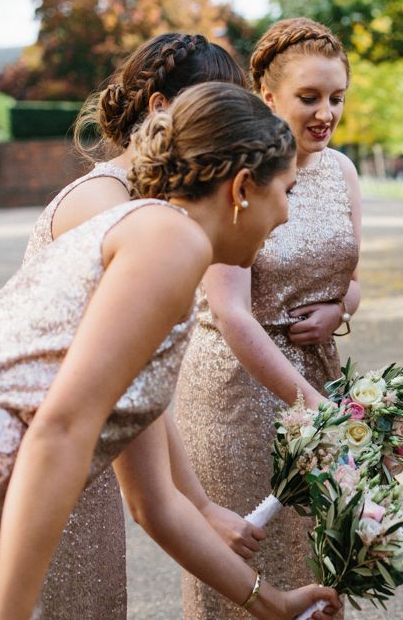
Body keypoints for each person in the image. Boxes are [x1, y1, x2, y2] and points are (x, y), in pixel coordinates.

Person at [0, 82, 341, 620]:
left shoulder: (159, 241)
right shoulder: (172, 241)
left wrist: (273, 603)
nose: (285, 216)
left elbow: (156, 505)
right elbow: (61, 429)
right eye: (287, 191)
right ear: (240, 189)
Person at [23, 32, 263, 619]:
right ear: (159, 108)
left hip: (79, 480)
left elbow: (141, 402)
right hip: (42, 483)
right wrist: (202, 517)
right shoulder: (110, 212)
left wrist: (201, 503)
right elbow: (148, 498)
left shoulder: (136, 208)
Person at [174, 17, 361, 619]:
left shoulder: (343, 171)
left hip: (316, 375)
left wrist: (339, 309)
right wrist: (311, 403)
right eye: (309, 98)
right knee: (244, 563)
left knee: (320, 555)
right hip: (237, 388)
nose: (325, 113)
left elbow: (349, 276)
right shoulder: (236, 170)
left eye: (336, 97)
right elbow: (230, 312)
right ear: (269, 97)